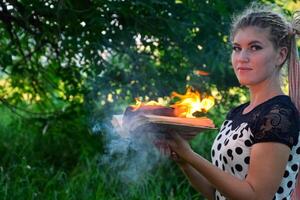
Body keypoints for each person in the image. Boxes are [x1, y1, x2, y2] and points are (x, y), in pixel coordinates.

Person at [165, 5, 300, 200]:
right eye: (237, 48)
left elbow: (257, 196)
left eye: (255, 47)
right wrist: (184, 161)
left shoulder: (278, 115)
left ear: (280, 55)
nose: (242, 58)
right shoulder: (238, 113)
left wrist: (190, 155)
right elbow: (217, 194)